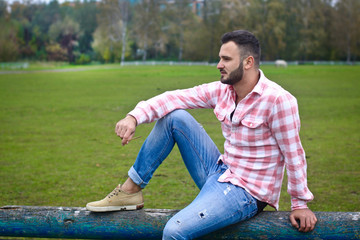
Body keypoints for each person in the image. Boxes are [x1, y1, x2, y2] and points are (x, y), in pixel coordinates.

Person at [86, 30, 317, 239]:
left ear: (248, 62)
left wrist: (299, 204)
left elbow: (294, 154)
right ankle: (130, 191)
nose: (219, 64)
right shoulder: (223, 91)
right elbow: (174, 97)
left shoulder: (279, 100)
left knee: (174, 231)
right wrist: (134, 117)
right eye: (220, 58)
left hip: (246, 193)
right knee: (174, 117)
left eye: (226, 59)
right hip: (221, 171)